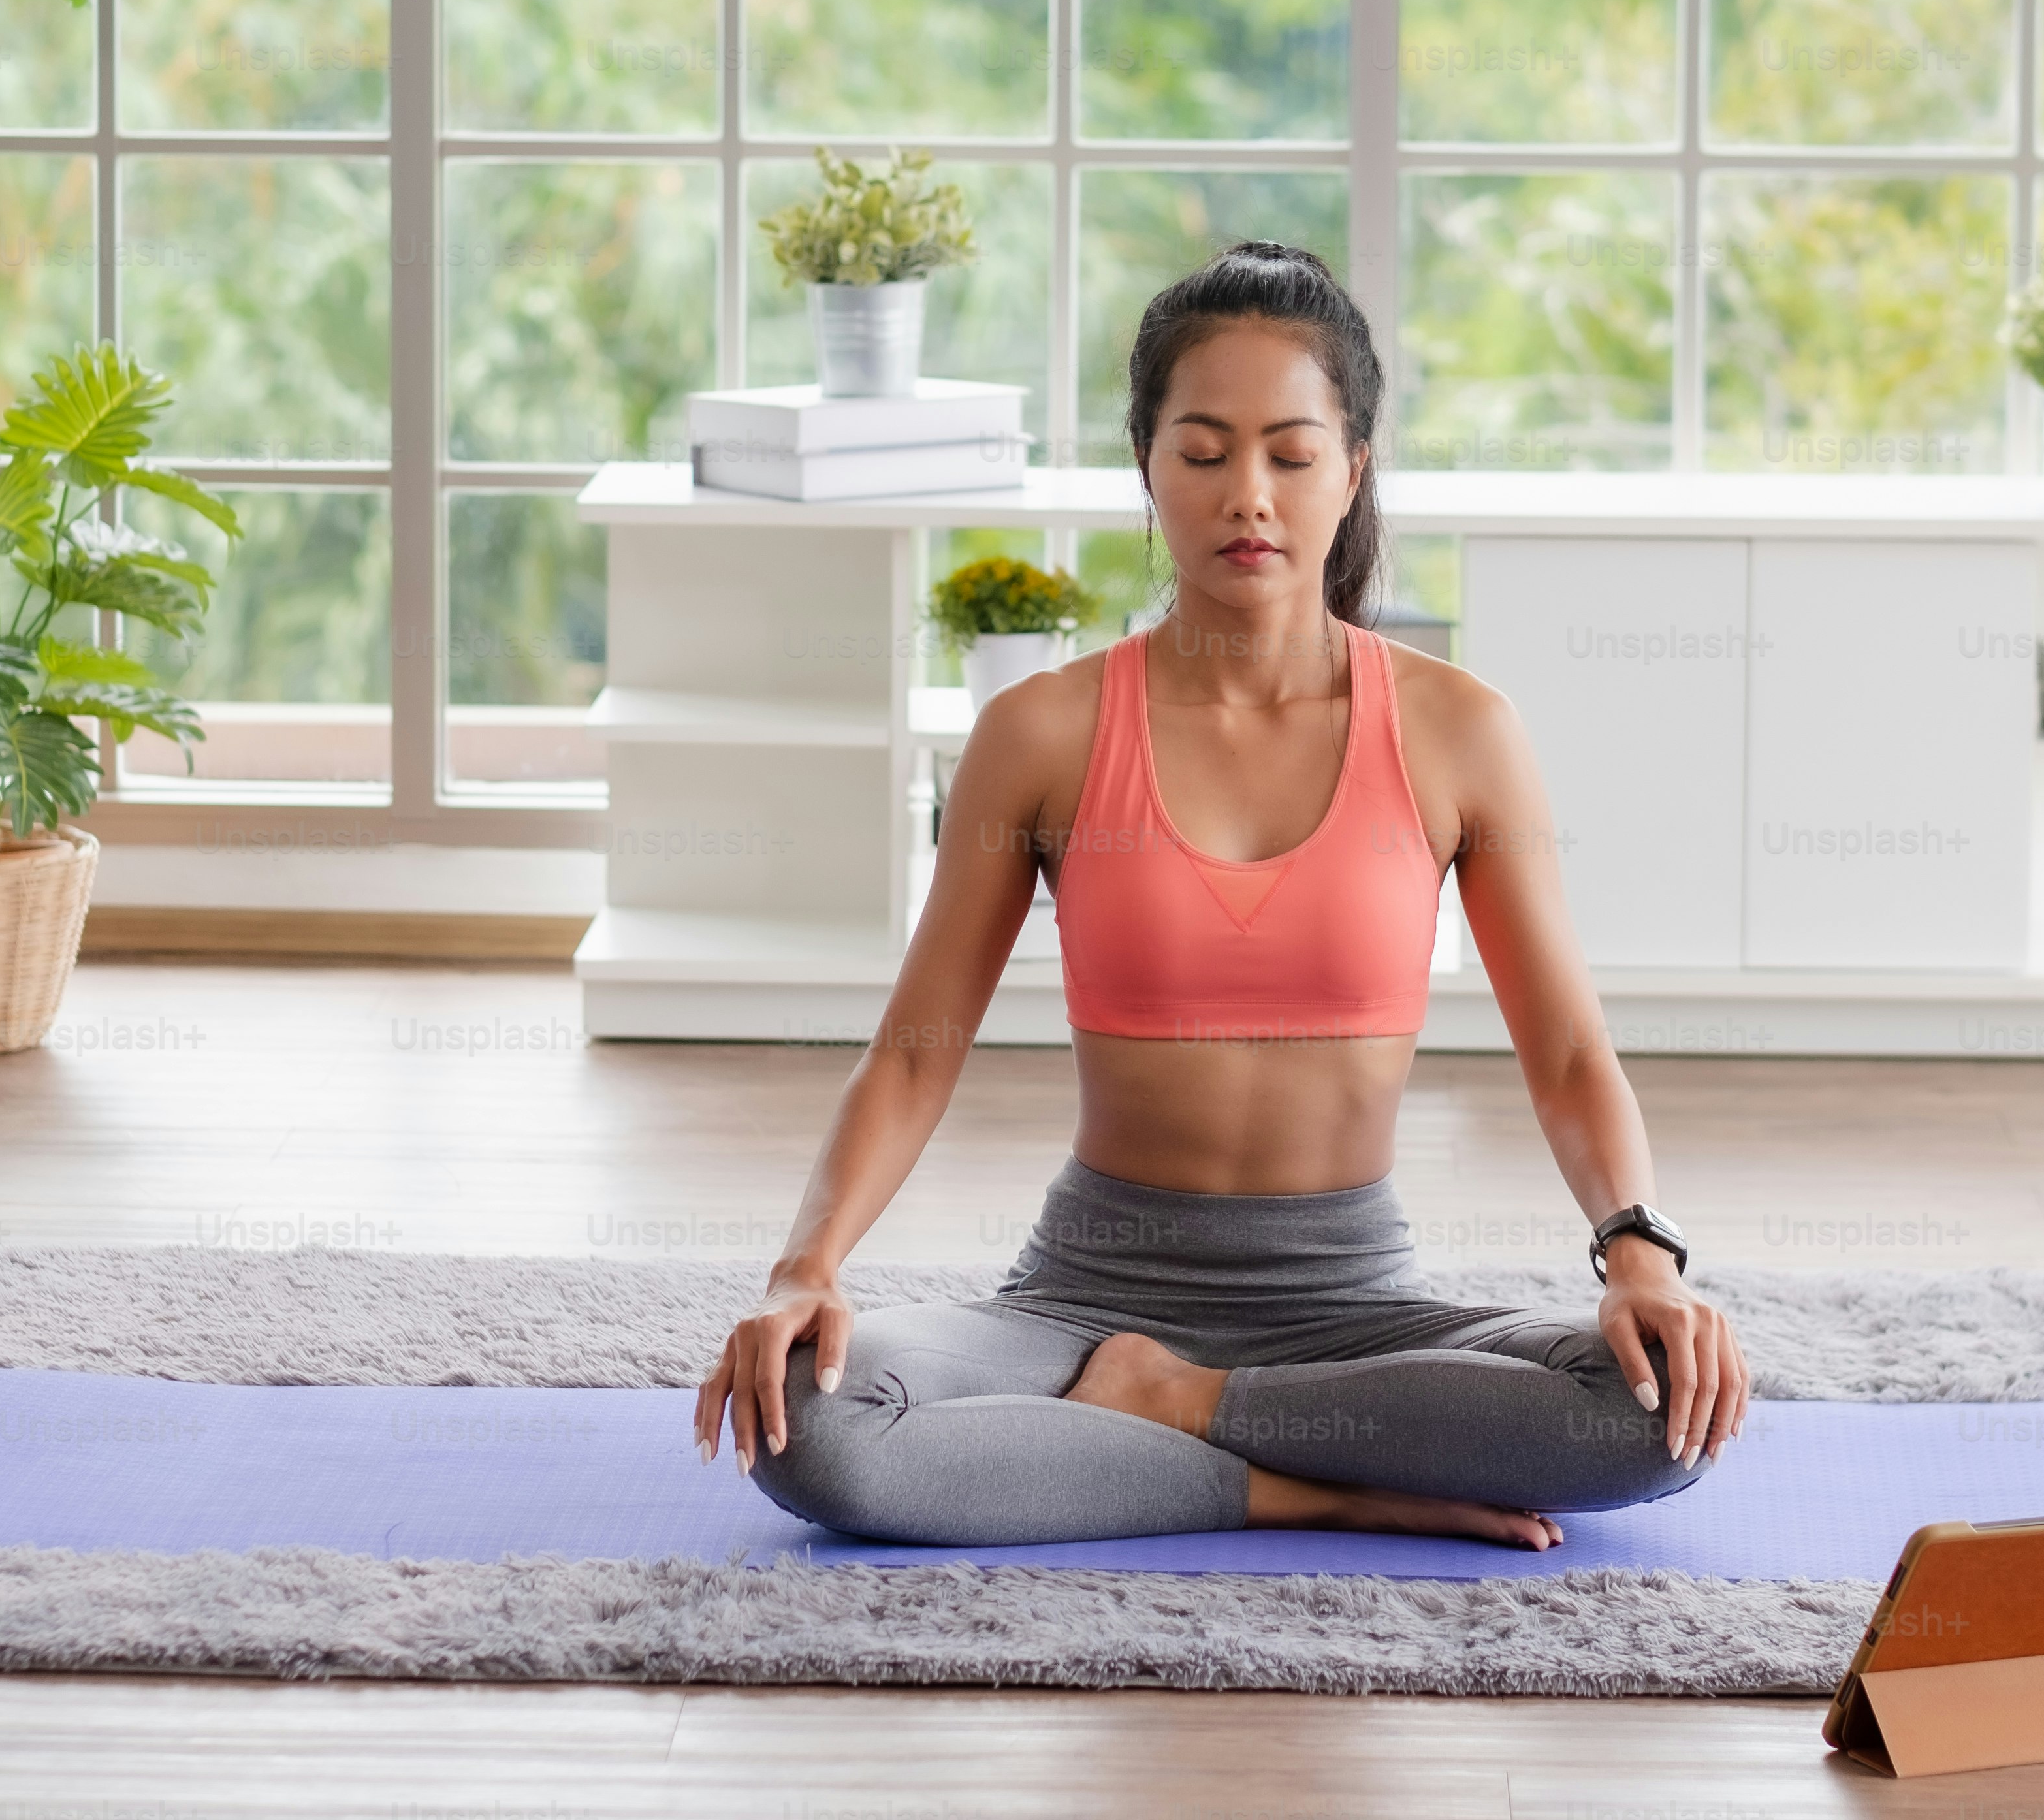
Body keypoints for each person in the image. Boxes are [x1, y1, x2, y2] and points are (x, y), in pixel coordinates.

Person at [695, 241, 1749, 1548]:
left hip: (1351, 1303)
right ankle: (1304, 1479)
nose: (1246, 494)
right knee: (812, 1421)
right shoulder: (1042, 733)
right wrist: (806, 1267)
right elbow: (913, 1057)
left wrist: (1638, 1252)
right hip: (1081, 1297)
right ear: (1146, 463)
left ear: (1352, 469)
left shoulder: (1459, 730)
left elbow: (1570, 1049)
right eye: (1201, 453)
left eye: (1290, 455)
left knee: (1659, 1412)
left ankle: (1181, 1405)